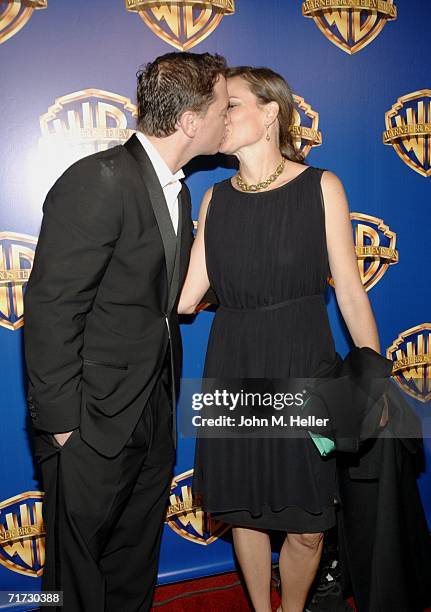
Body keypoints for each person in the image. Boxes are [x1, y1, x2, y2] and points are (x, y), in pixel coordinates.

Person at [23, 51, 229, 612]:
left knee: (134, 561)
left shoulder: (177, 190)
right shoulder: (98, 180)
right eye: (221, 106)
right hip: (90, 423)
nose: (227, 116)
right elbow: (51, 309)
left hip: (151, 414)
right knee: (77, 578)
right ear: (190, 122)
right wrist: (66, 429)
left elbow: (162, 302)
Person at [178, 66, 387, 612]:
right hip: (235, 363)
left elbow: (351, 294)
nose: (219, 116)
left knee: (309, 522)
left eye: (232, 105)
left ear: (271, 112)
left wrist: (374, 379)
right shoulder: (214, 200)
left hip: (303, 366)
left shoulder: (322, 187)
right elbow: (183, 298)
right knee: (243, 510)